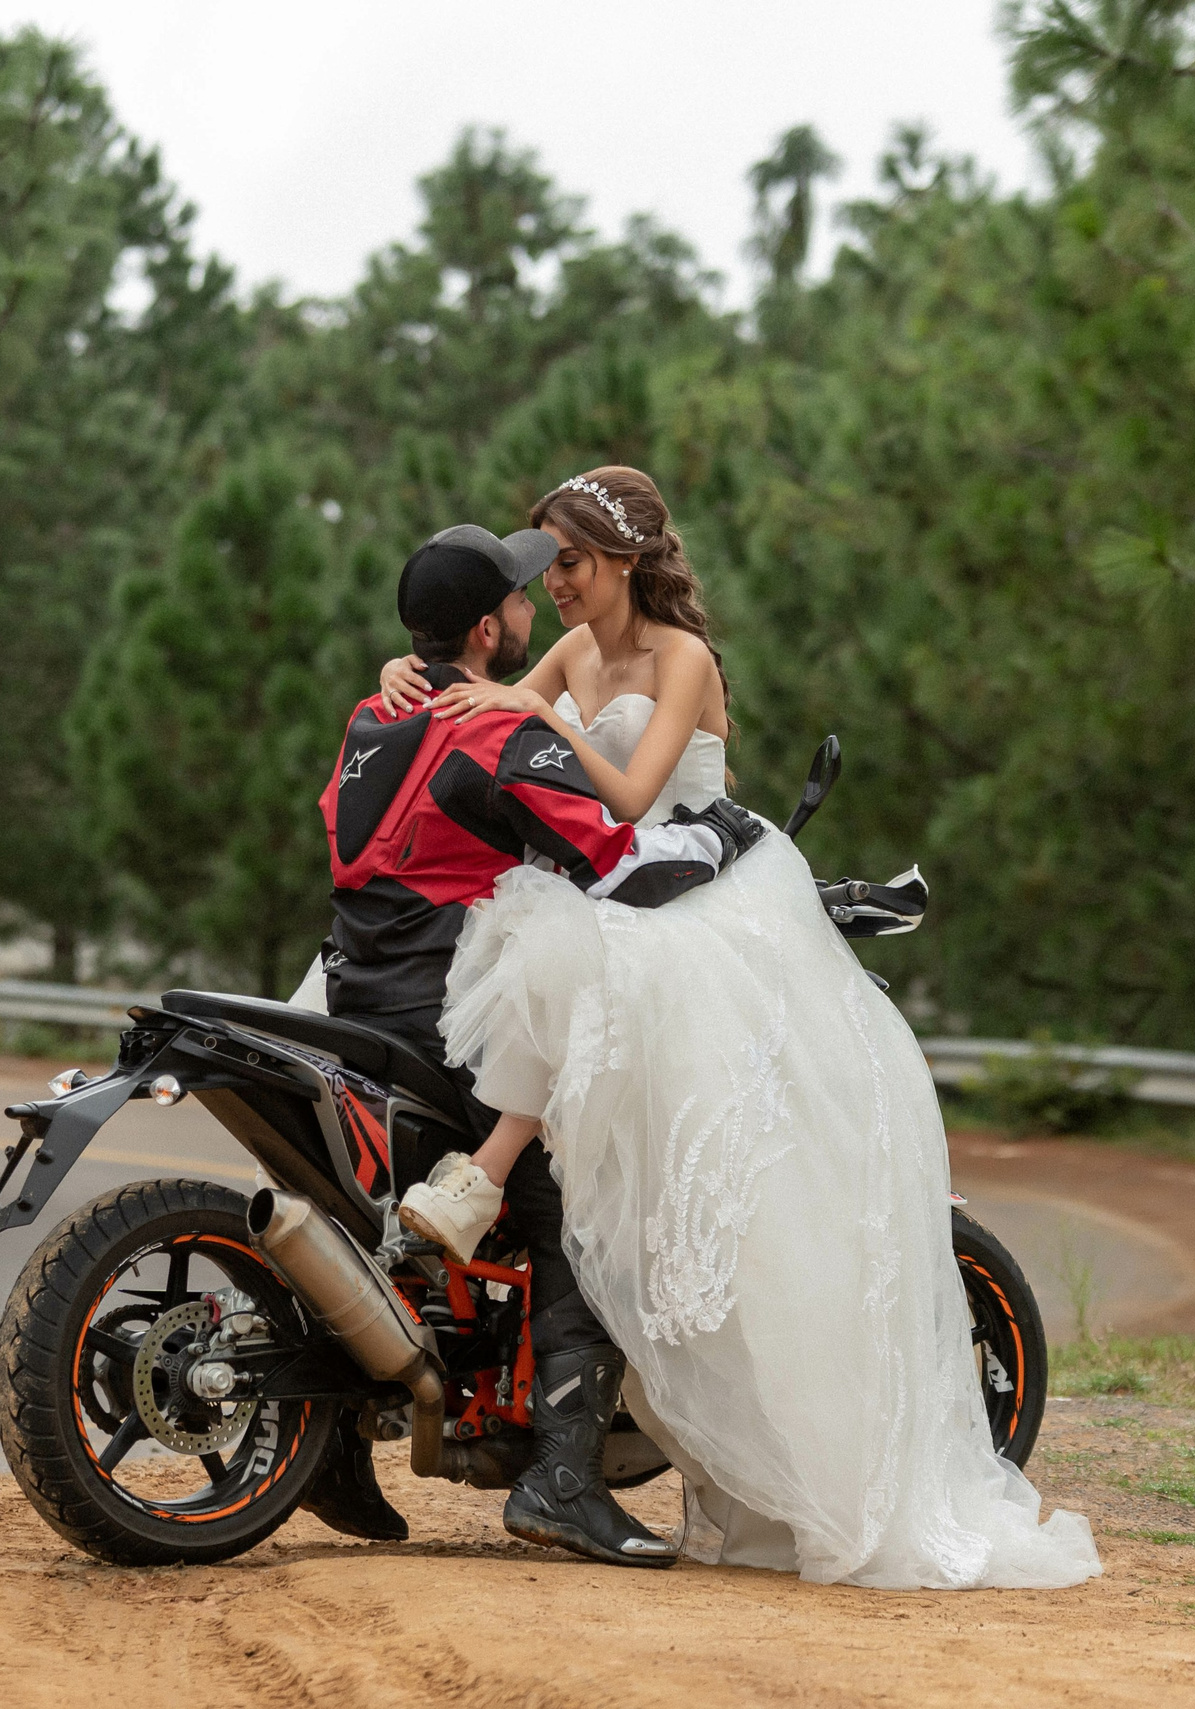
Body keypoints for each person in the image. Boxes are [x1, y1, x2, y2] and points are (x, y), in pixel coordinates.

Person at [371, 466, 1101, 1591]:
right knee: (542, 946)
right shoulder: (564, 658)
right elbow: (496, 714)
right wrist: (420, 679)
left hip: (701, 889)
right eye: (544, 565)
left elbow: (625, 792)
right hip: (624, 886)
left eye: (566, 561)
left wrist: (521, 706)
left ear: (616, 560)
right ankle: (496, 1215)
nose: (553, 584)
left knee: (581, 965)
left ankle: (489, 1183)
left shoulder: (680, 658)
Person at [316, 520, 763, 1568]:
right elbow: (616, 859)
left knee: (364, 1205)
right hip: (447, 1009)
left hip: (353, 996)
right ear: (486, 627)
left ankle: (335, 1436)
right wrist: (728, 838)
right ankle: (562, 1471)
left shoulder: (368, 718)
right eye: (520, 592)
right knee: (582, 1200)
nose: (536, 602)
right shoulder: (502, 733)